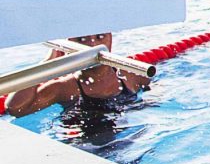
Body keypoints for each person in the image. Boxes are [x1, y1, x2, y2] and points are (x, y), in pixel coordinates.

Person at [4, 33, 151, 118]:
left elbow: (155, 91)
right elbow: (15, 109)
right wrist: (46, 64)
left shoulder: (131, 75)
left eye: (100, 37)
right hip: (84, 144)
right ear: (69, 46)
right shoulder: (65, 87)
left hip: (129, 138)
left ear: (110, 40)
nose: (92, 44)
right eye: (81, 39)